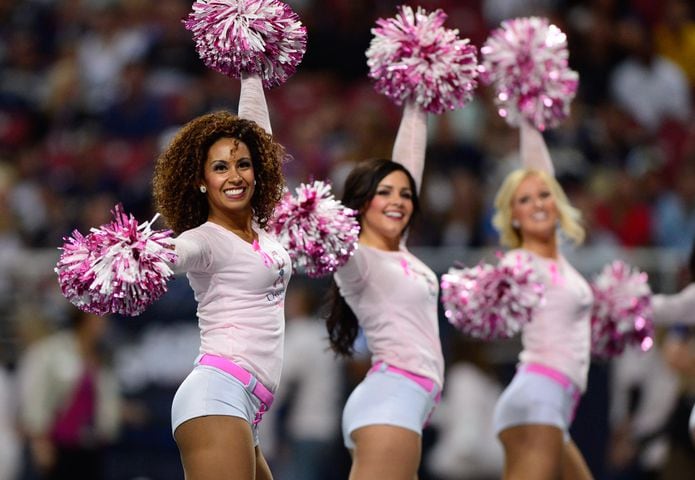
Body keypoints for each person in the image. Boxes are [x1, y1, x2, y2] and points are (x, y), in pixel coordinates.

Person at [152, 72, 291, 480]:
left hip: (246, 406)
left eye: (243, 164)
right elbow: (174, 252)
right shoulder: (204, 240)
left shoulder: (264, 230)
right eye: (220, 167)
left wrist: (251, 70)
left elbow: (257, 133)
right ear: (200, 180)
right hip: (217, 395)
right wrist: (137, 256)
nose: (234, 176)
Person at [325, 100, 444, 479]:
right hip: (390, 399)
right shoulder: (357, 259)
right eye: (385, 193)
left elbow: (409, 161)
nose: (398, 201)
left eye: (405, 194)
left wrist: (416, 100)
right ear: (360, 204)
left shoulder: (400, 251)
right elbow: (328, 242)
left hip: (403, 402)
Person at [490, 121, 594, 480]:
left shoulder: (559, 260)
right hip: (539, 395)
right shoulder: (519, 262)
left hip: (552, 399)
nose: (537, 204)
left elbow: (540, 169)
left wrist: (527, 115)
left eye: (544, 195)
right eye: (524, 200)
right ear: (513, 217)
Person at [16, 307, 121, 480]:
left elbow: (102, 400)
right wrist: (39, 440)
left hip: (91, 446)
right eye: (99, 319)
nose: (104, 325)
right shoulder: (51, 351)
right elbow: (36, 395)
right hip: (58, 445)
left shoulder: (103, 356)